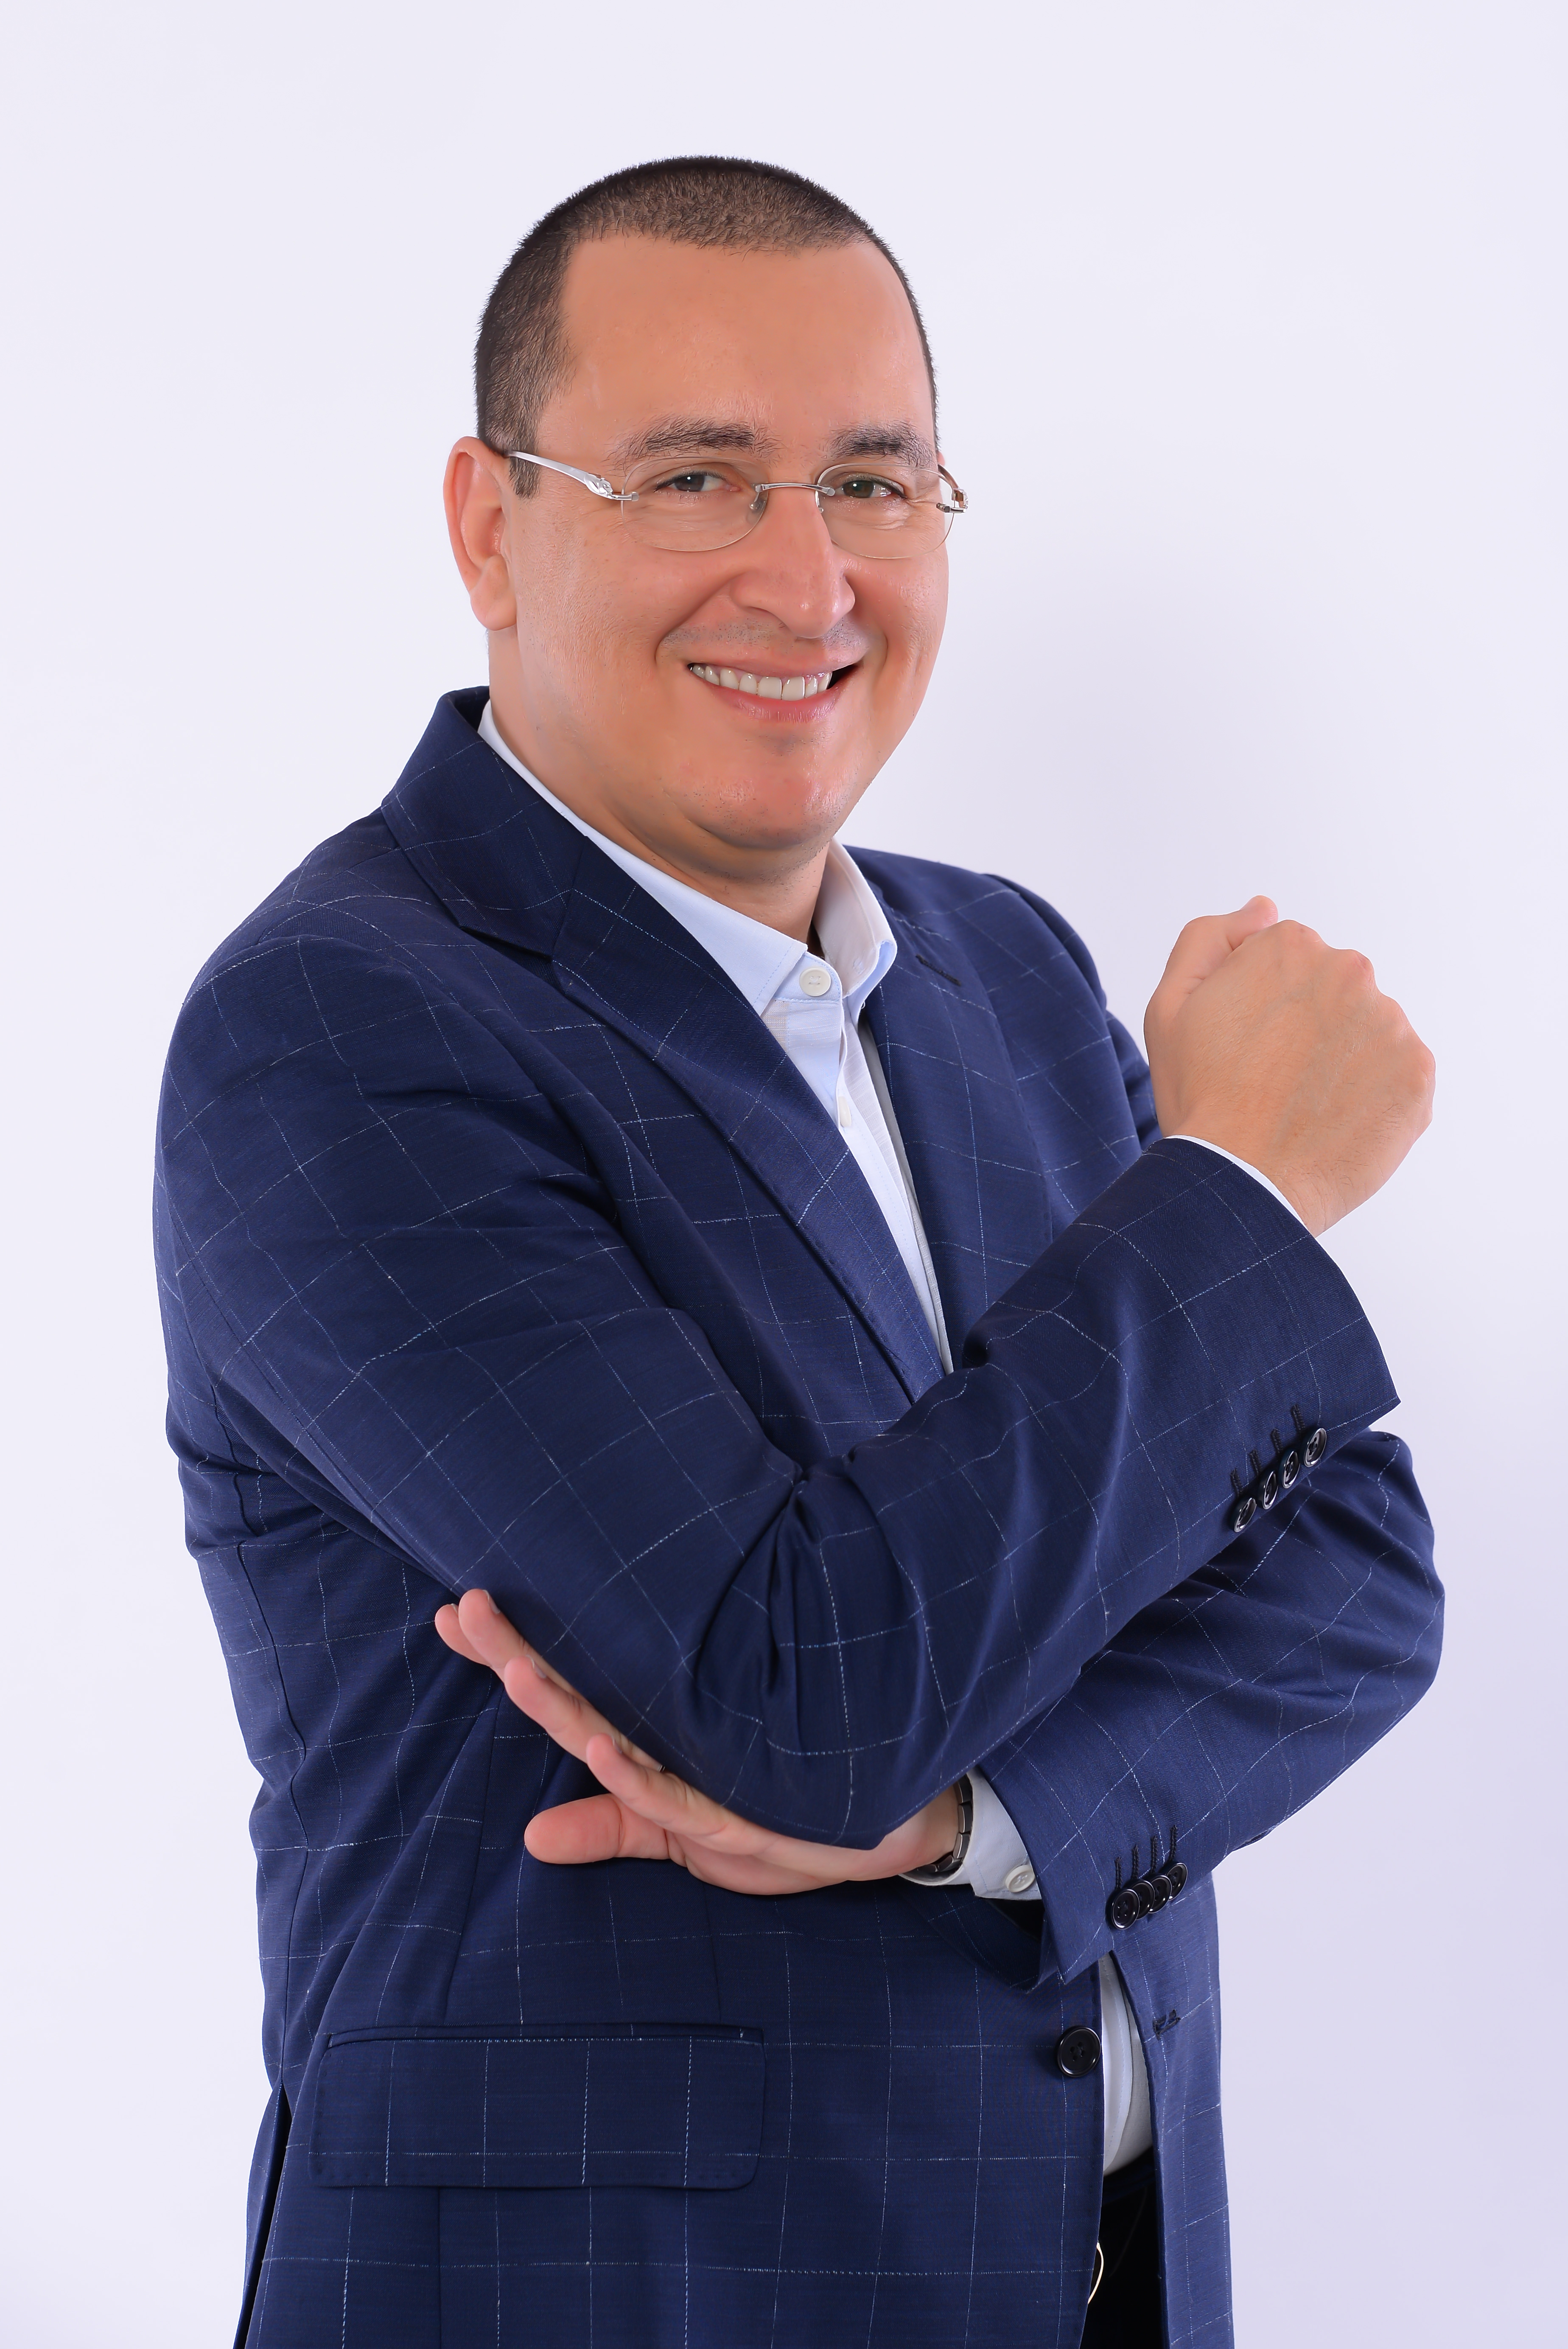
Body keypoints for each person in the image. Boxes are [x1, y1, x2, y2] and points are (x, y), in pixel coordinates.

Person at [154, 157, 1441, 2349]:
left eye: (874, 480)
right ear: (488, 526)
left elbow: (1353, 1579)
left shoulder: (1007, 973)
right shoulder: (341, 1032)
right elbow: (794, 1699)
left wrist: (973, 1819)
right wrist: (1239, 1188)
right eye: (694, 478)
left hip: (1106, 2278)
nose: (810, 574)